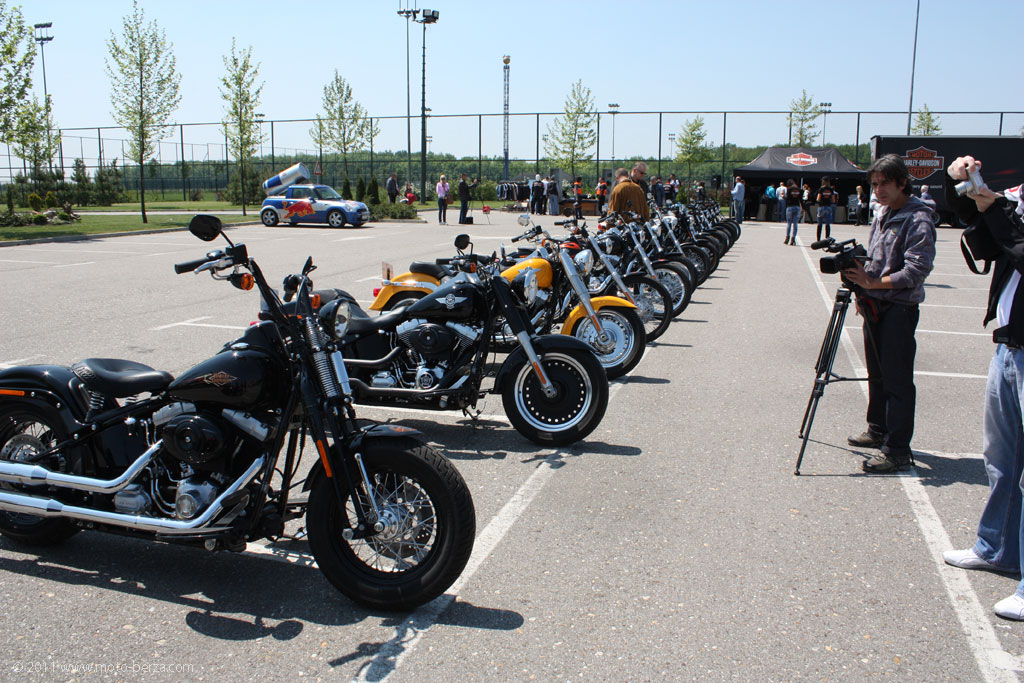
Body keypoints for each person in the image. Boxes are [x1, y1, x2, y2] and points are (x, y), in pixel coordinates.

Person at [939, 154, 1024, 620]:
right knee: (1002, 460)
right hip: (1010, 345)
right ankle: (995, 549)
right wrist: (966, 190)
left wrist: (995, 210)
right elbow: (989, 245)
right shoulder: (1018, 201)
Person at [842, 153, 936, 473]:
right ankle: (877, 429)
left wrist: (874, 283)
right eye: (874, 184)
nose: (878, 190)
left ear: (902, 183)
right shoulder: (882, 213)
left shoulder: (918, 217)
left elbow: (916, 271)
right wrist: (863, 289)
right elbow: (875, 260)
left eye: (884, 184)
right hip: (875, 305)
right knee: (877, 375)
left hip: (899, 308)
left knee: (897, 381)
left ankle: (897, 448)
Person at [816, 176, 837, 241]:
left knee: (819, 224)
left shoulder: (821, 189)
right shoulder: (831, 190)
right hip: (828, 207)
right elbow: (833, 200)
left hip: (821, 207)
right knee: (827, 224)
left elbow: (818, 199)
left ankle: (818, 239)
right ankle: (827, 239)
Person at [784, 179, 801, 245]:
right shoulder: (799, 190)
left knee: (789, 223)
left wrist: (783, 196)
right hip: (797, 206)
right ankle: (793, 239)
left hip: (790, 206)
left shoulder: (789, 189)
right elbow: (800, 199)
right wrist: (804, 207)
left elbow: (787, 198)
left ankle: (787, 238)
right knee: (795, 223)